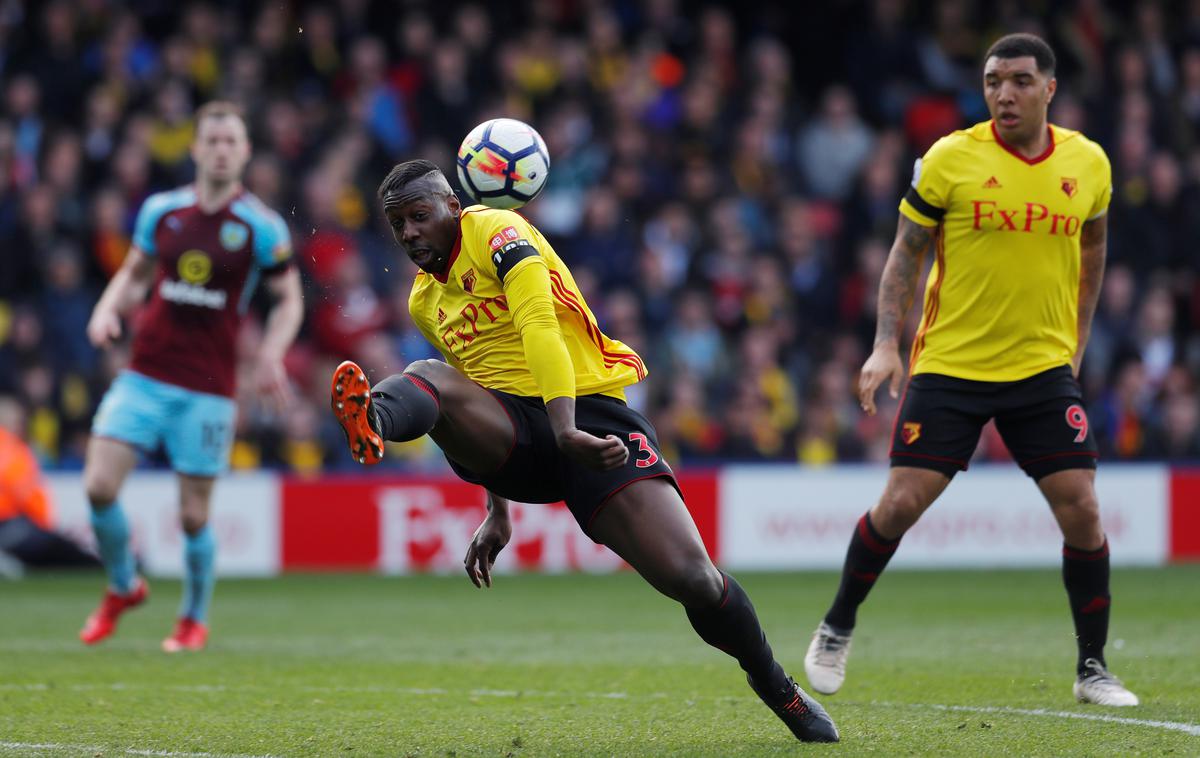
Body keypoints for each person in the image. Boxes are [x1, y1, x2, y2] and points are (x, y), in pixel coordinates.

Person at [329, 159, 839, 743]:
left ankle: (776, 686)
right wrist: (496, 510)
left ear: (453, 206)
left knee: (694, 579)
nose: (410, 233)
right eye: (398, 225)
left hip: (588, 416)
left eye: (419, 217)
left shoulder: (501, 233)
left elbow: (540, 324)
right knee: (429, 375)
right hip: (515, 438)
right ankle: (373, 420)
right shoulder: (425, 300)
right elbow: (472, 388)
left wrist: (567, 429)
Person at [803, 33, 1138, 707]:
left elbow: (1094, 246)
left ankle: (1093, 667)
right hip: (952, 365)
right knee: (899, 504)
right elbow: (905, 253)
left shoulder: (1089, 164)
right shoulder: (951, 158)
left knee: (1082, 507)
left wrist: (1079, 336)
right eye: (992, 82)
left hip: (1041, 367)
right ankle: (836, 626)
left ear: (1049, 88)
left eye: (1018, 80)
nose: (1003, 93)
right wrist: (885, 344)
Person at [79, 101, 303, 652]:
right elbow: (134, 276)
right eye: (214, 140)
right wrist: (109, 309)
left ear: (246, 152)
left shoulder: (262, 227)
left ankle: (192, 619)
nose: (222, 149)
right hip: (145, 373)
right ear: (196, 148)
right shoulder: (163, 212)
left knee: (193, 515)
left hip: (208, 387)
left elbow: (289, 299)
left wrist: (272, 352)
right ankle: (123, 585)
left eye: (232, 141)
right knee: (98, 486)